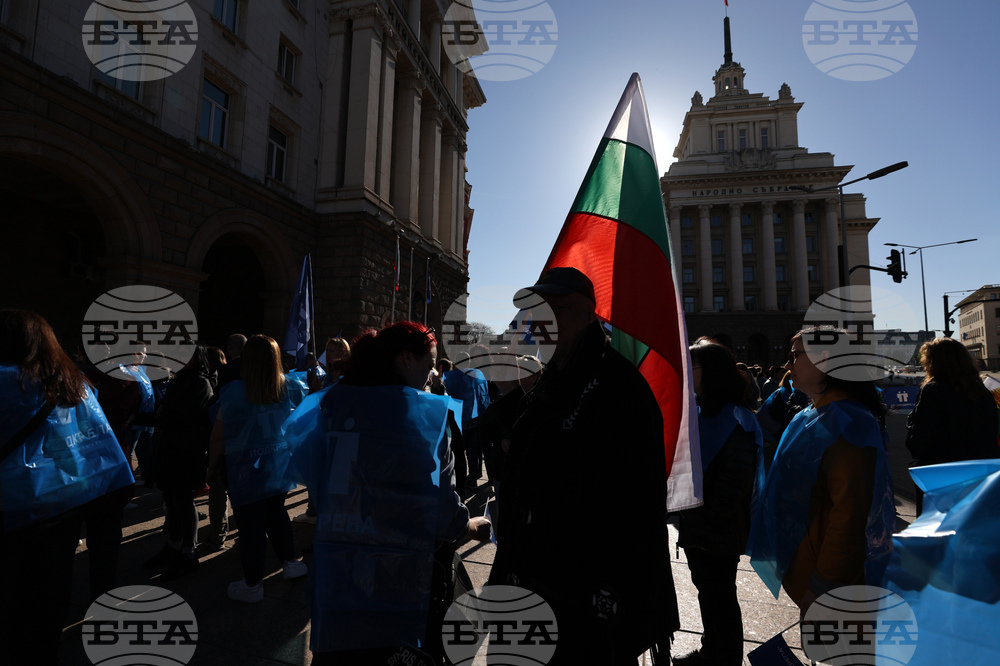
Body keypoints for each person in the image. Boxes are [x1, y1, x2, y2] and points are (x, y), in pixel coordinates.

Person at [489, 268, 679, 665]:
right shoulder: (554, 379)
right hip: (529, 583)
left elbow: (636, 506)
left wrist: (613, 602)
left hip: (579, 601)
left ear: (590, 314)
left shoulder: (616, 385)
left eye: (559, 309)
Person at [283, 321, 490, 664]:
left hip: (337, 575)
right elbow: (444, 516)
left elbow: (312, 476)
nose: (433, 373)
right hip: (400, 583)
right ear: (407, 359)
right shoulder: (427, 417)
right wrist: (468, 526)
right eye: (430, 362)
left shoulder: (333, 401)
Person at [0, 309, 134, 664]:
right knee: (52, 585)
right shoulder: (75, 382)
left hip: (12, 508)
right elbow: (96, 442)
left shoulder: (6, 382)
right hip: (64, 502)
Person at [746, 328, 896, 618]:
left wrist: (825, 582)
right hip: (805, 563)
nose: (787, 365)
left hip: (828, 578)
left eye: (795, 356)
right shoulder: (812, 413)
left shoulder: (851, 423)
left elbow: (851, 514)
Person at [673, 339, 762, 666]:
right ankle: (712, 651)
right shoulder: (699, 411)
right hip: (700, 528)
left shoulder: (736, 419)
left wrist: (705, 519)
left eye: (691, 365)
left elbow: (734, 482)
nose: (687, 371)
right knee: (710, 596)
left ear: (709, 371)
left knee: (721, 598)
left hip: (718, 530)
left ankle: (723, 658)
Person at [208, 335, 306, 602]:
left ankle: (252, 584)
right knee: (276, 512)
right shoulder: (290, 386)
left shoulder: (234, 391)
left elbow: (219, 436)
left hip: (245, 467)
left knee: (250, 525)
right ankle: (290, 562)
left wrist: (210, 466)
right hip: (276, 462)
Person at [142, 344, 215, 580]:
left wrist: (163, 413)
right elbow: (166, 411)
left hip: (186, 451)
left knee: (183, 501)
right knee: (170, 498)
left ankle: (188, 551)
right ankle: (173, 544)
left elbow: (184, 417)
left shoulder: (200, 383)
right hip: (169, 448)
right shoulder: (179, 380)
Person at [905, 337, 1000, 513]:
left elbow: (918, 443)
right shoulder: (983, 393)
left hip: (942, 479)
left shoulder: (933, 391)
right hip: (980, 477)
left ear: (934, 362)